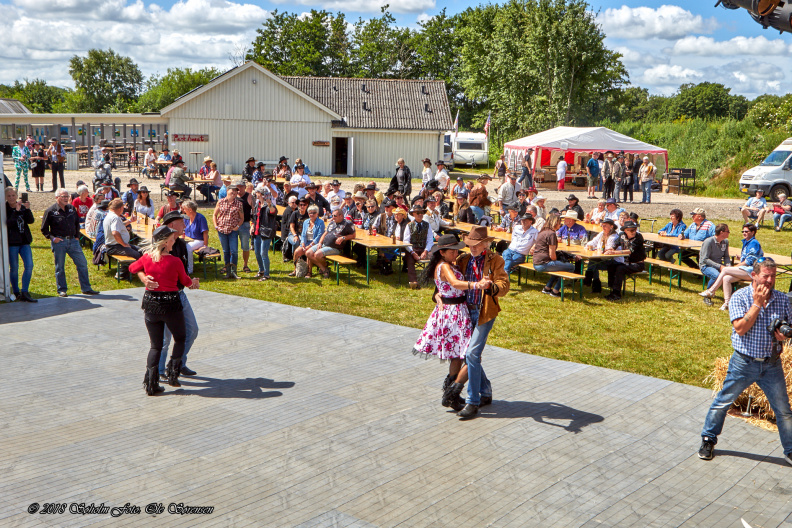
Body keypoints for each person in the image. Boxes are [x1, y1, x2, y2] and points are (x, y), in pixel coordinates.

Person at [698, 257, 792, 466]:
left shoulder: (782, 299)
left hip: (772, 364)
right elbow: (740, 328)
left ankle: (790, 450)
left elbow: (790, 326)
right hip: (744, 362)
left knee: (783, 410)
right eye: (765, 276)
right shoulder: (740, 297)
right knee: (723, 402)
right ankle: (708, 439)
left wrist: (784, 335)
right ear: (754, 275)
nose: (769, 281)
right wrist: (757, 304)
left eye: (773, 276)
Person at [413, 234, 484, 411]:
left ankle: (451, 393)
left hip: (453, 312)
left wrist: (438, 296)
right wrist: (477, 285)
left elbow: (441, 288)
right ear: (442, 252)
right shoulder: (444, 266)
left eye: (456, 249)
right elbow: (454, 283)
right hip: (454, 313)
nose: (456, 253)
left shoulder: (446, 264)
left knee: (457, 354)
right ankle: (452, 392)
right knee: (472, 356)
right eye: (452, 251)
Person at [444, 225, 507, 420]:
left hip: (484, 313)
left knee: (471, 353)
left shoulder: (495, 260)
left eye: (477, 244)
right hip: (464, 312)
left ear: (486, 244)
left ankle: (473, 401)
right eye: (470, 244)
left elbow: (504, 285)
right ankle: (486, 391)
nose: (472, 247)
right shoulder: (463, 260)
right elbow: (450, 279)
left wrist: (491, 287)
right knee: (472, 356)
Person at [129, 225, 199, 395]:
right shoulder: (175, 261)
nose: (174, 242)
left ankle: (151, 384)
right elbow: (186, 282)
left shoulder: (146, 258)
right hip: (170, 306)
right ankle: (173, 373)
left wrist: (144, 277)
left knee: (155, 346)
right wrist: (194, 283)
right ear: (166, 241)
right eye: (173, 239)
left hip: (151, 306)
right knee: (181, 338)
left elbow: (132, 268)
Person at [41, 189, 99, 297]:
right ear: (56, 197)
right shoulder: (50, 211)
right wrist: (53, 239)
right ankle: (62, 290)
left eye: (67, 196)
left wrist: (77, 236)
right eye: (63, 196)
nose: (65, 198)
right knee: (60, 267)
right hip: (59, 242)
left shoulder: (72, 209)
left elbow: (77, 223)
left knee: (82, 263)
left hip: (73, 241)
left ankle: (86, 288)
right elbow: (44, 229)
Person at [700, 223, 763, 310]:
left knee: (724, 271)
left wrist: (730, 267)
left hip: (752, 271)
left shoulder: (753, 243)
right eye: (743, 231)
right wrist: (741, 258)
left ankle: (711, 291)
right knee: (726, 278)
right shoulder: (747, 242)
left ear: (753, 232)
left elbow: (750, 261)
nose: (744, 233)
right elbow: (704, 259)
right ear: (722, 232)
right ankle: (727, 303)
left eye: (746, 231)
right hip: (708, 265)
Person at [532, 214, 574, 298]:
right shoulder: (551, 234)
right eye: (559, 222)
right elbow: (552, 255)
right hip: (543, 264)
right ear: (555, 222)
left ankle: (547, 288)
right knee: (571, 267)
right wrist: (557, 260)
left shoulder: (543, 231)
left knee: (558, 266)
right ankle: (555, 291)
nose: (560, 224)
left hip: (536, 262)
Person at [306, 207, 356, 279]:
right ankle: (323, 269)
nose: (333, 217)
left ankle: (324, 269)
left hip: (335, 247)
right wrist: (320, 243)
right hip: (324, 244)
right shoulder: (332, 223)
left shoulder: (347, 224)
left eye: (335, 216)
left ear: (341, 216)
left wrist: (343, 237)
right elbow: (324, 234)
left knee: (317, 254)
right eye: (332, 215)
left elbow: (353, 235)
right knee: (308, 253)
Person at [5, 187, 36, 302]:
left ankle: (25, 291)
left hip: (24, 241)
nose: (12, 198)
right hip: (12, 242)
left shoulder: (22, 207)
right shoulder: (5, 209)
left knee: (29, 265)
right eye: (9, 196)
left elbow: (30, 221)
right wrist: (17, 212)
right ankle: (16, 291)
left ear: (17, 196)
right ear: (6, 197)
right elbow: (8, 223)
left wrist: (27, 209)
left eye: (13, 195)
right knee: (14, 268)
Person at [604, 220, 646, 301]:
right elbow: (615, 244)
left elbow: (630, 251)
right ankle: (612, 289)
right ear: (625, 230)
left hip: (638, 264)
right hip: (626, 263)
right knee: (611, 265)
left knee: (620, 268)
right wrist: (610, 249)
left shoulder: (638, 237)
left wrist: (614, 252)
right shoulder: (622, 235)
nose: (634, 232)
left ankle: (616, 293)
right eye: (631, 230)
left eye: (635, 229)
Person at [213, 183, 244, 279]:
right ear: (227, 191)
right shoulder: (220, 202)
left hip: (233, 230)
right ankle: (227, 271)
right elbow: (215, 214)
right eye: (232, 190)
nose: (234, 193)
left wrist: (237, 226)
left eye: (235, 191)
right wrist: (216, 226)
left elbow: (242, 218)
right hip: (222, 229)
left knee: (234, 251)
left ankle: (234, 271)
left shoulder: (239, 204)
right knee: (226, 251)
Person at [583, 218, 622, 293]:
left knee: (593, 263)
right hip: (604, 259)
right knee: (593, 262)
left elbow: (608, 250)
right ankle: (594, 282)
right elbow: (593, 242)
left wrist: (597, 249)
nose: (603, 227)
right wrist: (588, 246)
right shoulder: (602, 234)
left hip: (614, 261)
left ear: (611, 226)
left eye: (605, 226)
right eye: (602, 225)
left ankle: (590, 280)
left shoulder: (614, 237)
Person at [401, 205, 434, 289]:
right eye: (418, 213)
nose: (420, 215)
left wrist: (426, 251)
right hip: (412, 249)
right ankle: (413, 281)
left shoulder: (427, 225)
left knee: (435, 256)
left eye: (422, 213)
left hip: (424, 249)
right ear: (414, 214)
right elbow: (406, 241)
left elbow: (430, 240)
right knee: (410, 259)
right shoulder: (409, 225)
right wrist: (412, 252)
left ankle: (430, 278)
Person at [250, 184, 278, 281]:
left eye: (257, 192)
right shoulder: (257, 204)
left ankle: (266, 274)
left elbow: (274, 212)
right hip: (257, 232)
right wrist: (252, 225)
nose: (255, 194)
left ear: (261, 194)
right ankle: (261, 270)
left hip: (266, 233)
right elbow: (254, 217)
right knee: (257, 253)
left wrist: (270, 204)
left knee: (263, 253)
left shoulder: (268, 205)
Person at [103, 198, 142, 267]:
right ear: (120, 208)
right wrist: (124, 244)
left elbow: (119, 226)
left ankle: (138, 269)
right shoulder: (115, 218)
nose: (123, 210)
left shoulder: (110, 215)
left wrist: (130, 221)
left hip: (115, 245)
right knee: (136, 254)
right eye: (123, 208)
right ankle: (124, 272)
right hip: (114, 247)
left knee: (140, 250)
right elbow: (115, 233)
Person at [698, 224, 731, 304]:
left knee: (731, 275)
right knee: (716, 276)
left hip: (718, 265)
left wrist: (728, 266)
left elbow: (726, 256)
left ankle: (730, 298)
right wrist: (719, 266)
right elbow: (705, 259)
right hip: (706, 266)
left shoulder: (725, 242)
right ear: (722, 232)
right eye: (727, 231)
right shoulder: (708, 242)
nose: (729, 233)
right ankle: (707, 296)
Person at [292, 205, 325, 278]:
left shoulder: (320, 222)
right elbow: (303, 234)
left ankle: (309, 272)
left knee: (308, 252)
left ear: (317, 214)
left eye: (314, 213)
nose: (312, 214)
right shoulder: (306, 222)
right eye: (310, 213)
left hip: (315, 243)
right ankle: (296, 269)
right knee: (297, 252)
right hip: (306, 242)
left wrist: (310, 245)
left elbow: (319, 236)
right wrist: (303, 243)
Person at [181, 200, 209, 273]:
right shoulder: (186, 218)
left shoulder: (200, 218)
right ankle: (182, 266)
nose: (183, 211)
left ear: (190, 210)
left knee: (188, 247)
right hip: (189, 239)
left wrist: (205, 245)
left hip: (199, 240)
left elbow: (205, 233)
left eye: (185, 209)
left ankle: (190, 269)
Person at [235, 181, 254, 273]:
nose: (239, 189)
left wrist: (252, 224)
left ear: (245, 187)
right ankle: (232, 265)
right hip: (233, 224)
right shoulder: (232, 196)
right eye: (237, 187)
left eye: (241, 187)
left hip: (245, 224)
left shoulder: (249, 196)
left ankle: (245, 265)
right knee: (232, 247)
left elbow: (254, 211)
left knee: (245, 246)